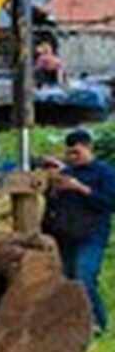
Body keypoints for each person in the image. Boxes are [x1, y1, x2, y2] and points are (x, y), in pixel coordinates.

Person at [43, 129, 115, 333]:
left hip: (92, 234)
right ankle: (75, 327)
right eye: (70, 153)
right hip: (65, 234)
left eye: (77, 152)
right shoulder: (66, 173)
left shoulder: (105, 172)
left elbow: (110, 202)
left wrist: (81, 189)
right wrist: (54, 188)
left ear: (88, 147)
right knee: (66, 282)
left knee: (85, 277)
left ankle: (99, 323)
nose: (73, 157)